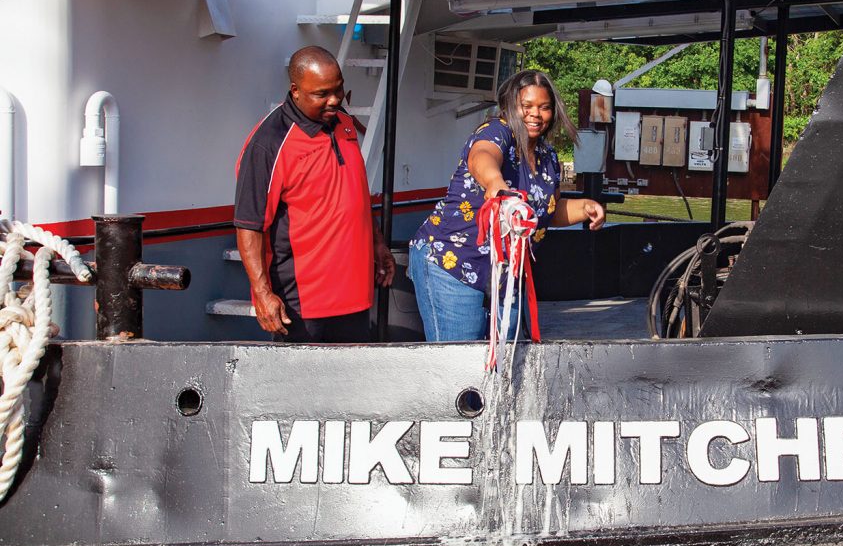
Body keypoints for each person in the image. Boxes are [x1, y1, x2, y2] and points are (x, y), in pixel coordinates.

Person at [407, 69, 605, 342]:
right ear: (510, 107)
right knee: (458, 365)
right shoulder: (496, 131)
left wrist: (585, 207)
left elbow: (547, 211)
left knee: (506, 360)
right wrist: (496, 184)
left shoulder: (548, 156)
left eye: (544, 108)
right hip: (452, 263)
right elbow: (483, 156)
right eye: (527, 106)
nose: (536, 114)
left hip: (504, 274)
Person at [233, 46, 395, 343]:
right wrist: (261, 292)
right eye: (322, 94)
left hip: (355, 295)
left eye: (339, 89)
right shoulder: (269, 142)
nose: (334, 100)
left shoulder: (344, 123)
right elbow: (249, 225)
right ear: (295, 91)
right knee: (302, 388)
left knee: (351, 383)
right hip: (303, 303)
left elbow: (355, 192)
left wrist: (378, 243)